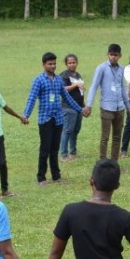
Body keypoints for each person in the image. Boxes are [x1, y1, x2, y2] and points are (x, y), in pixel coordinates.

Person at [25, 52, 83, 185]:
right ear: (43, 64)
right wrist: (26, 115)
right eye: (50, 64)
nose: (53, 66)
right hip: (45, 119)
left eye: (54, 64)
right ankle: (41, 177)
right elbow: (32, 98)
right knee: (45, 149)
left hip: (58, 119)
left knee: (55, 149)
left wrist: (80, 109)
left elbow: (67, 97)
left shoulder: (58, 80)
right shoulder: (39, 80)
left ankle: (56, 176)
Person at [85, 44, 130, 162]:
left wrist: (128, 107)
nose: (113, 57)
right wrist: (89, 105)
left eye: (116, 55)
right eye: (111, 55)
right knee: (105, 137)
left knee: (117, 137)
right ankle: (102, 162)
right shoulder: (101, 68)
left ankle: (114, 163)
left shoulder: (121, 68)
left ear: (120, 56)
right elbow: (94, 86)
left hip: (119, 107)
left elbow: (122, 88)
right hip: (107, 107)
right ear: (107, 54)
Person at [60, 54, 87, 163]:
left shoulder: (77, 75)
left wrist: (84, 104)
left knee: (75, 130)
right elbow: (62, 89)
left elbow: (80, 91)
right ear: (66, 64)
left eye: (74, 62)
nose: (72, 64)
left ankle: (73, 152)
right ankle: (63, 154)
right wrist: (75, 85)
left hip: (79, 107)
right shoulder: (64, 75)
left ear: (77, 63)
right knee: (67, 130)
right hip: (68, 107)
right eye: (70, 63)